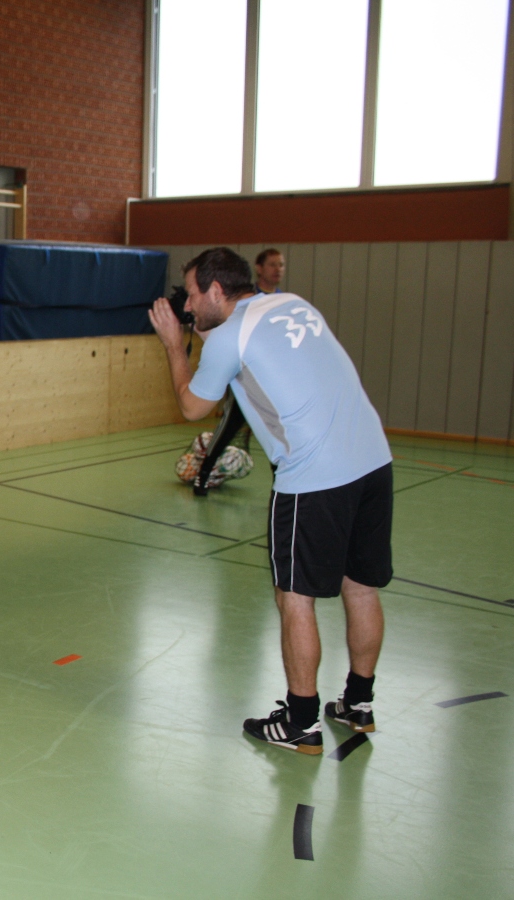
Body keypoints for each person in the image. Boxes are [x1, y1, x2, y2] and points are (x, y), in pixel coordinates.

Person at [149, 247, 392, 756]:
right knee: (361, 588)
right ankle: (358, 704)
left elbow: (192, 406)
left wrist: (174, 345)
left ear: (217, 289)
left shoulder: (228, 339)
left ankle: (300, 722)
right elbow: (257, 355)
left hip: (314, 477)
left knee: (294, 598)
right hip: (373, 460)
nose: (187, 305)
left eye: (191, 294)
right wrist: (203, 335)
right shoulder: (290, 304)